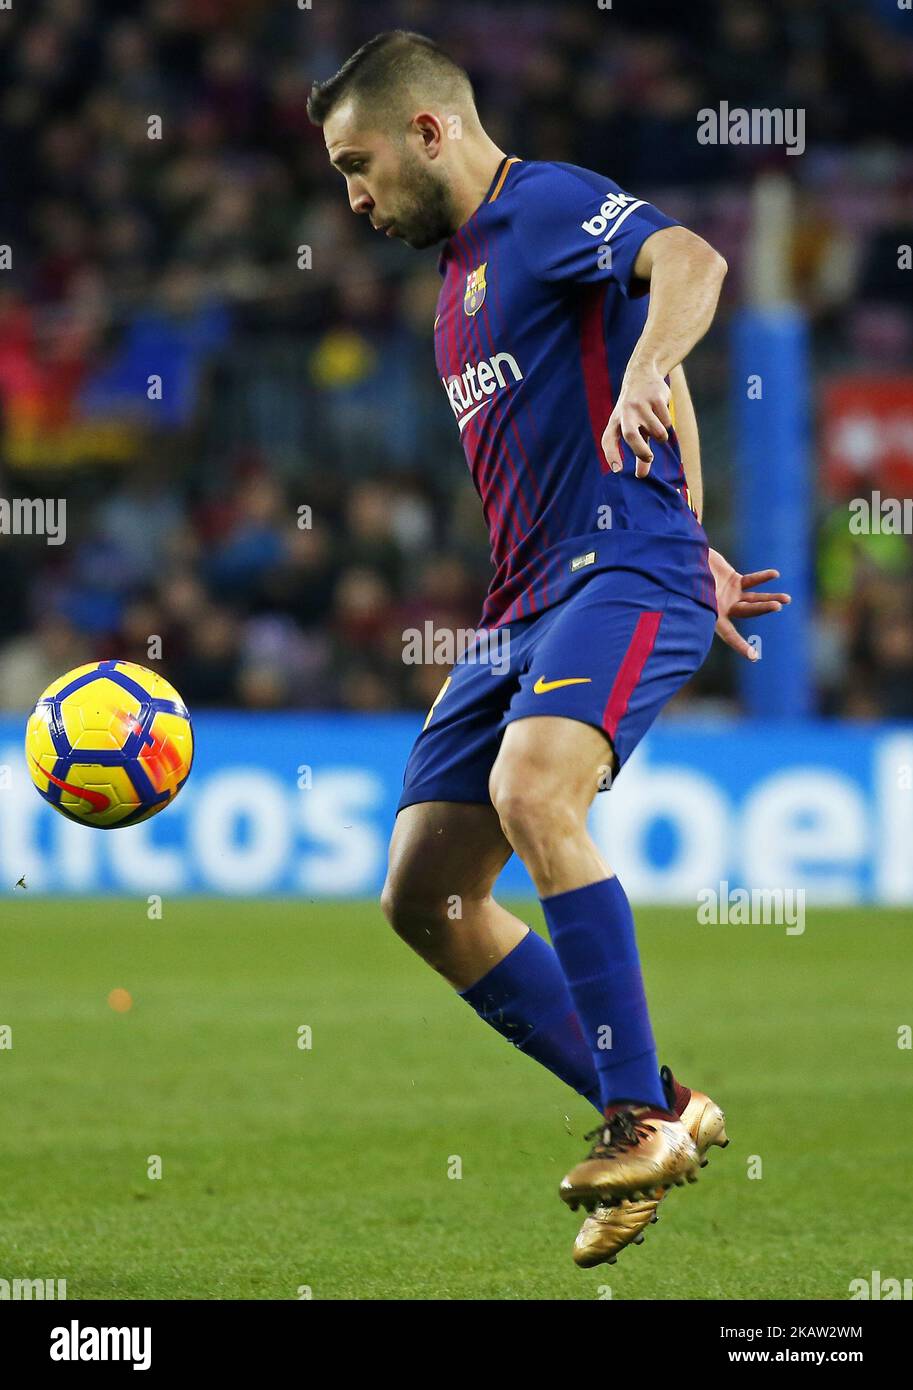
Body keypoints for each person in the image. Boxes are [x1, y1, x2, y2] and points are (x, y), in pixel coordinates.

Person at [308, 30, 790, 1267]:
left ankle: (631, 1117)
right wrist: (698, 516)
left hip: (616, 570)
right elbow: (632, 378)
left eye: (359, 166)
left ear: (429, 130)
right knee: (426, 893)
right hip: (523, 603)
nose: (352, 199)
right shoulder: (458, 286)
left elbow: (687, 262)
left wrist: (673, 536)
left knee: (534, 788)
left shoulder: (547, 201)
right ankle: (670, 1104)